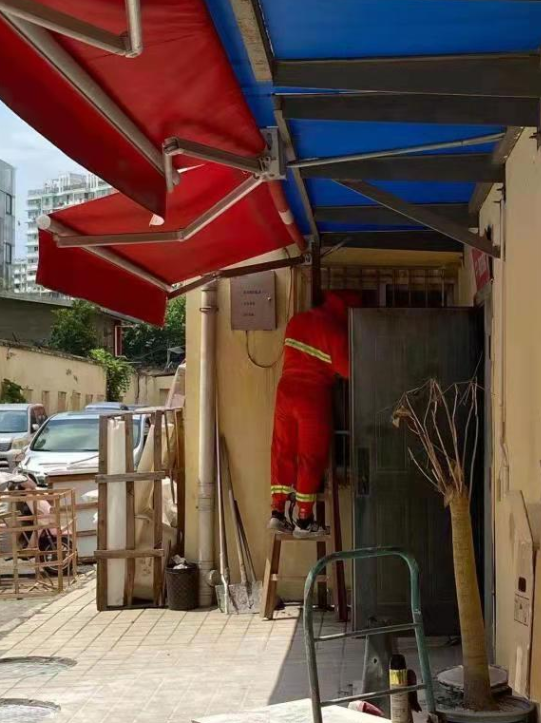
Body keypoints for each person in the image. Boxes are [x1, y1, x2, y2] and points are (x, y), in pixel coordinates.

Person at [269, 290, 362, 538]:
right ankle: (304, 519)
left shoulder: (297, 321)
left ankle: (277, 511)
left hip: (285, 392)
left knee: (282, 449)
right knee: (311, 456)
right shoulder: (335, 332)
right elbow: (350, 370)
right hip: (312, 396)